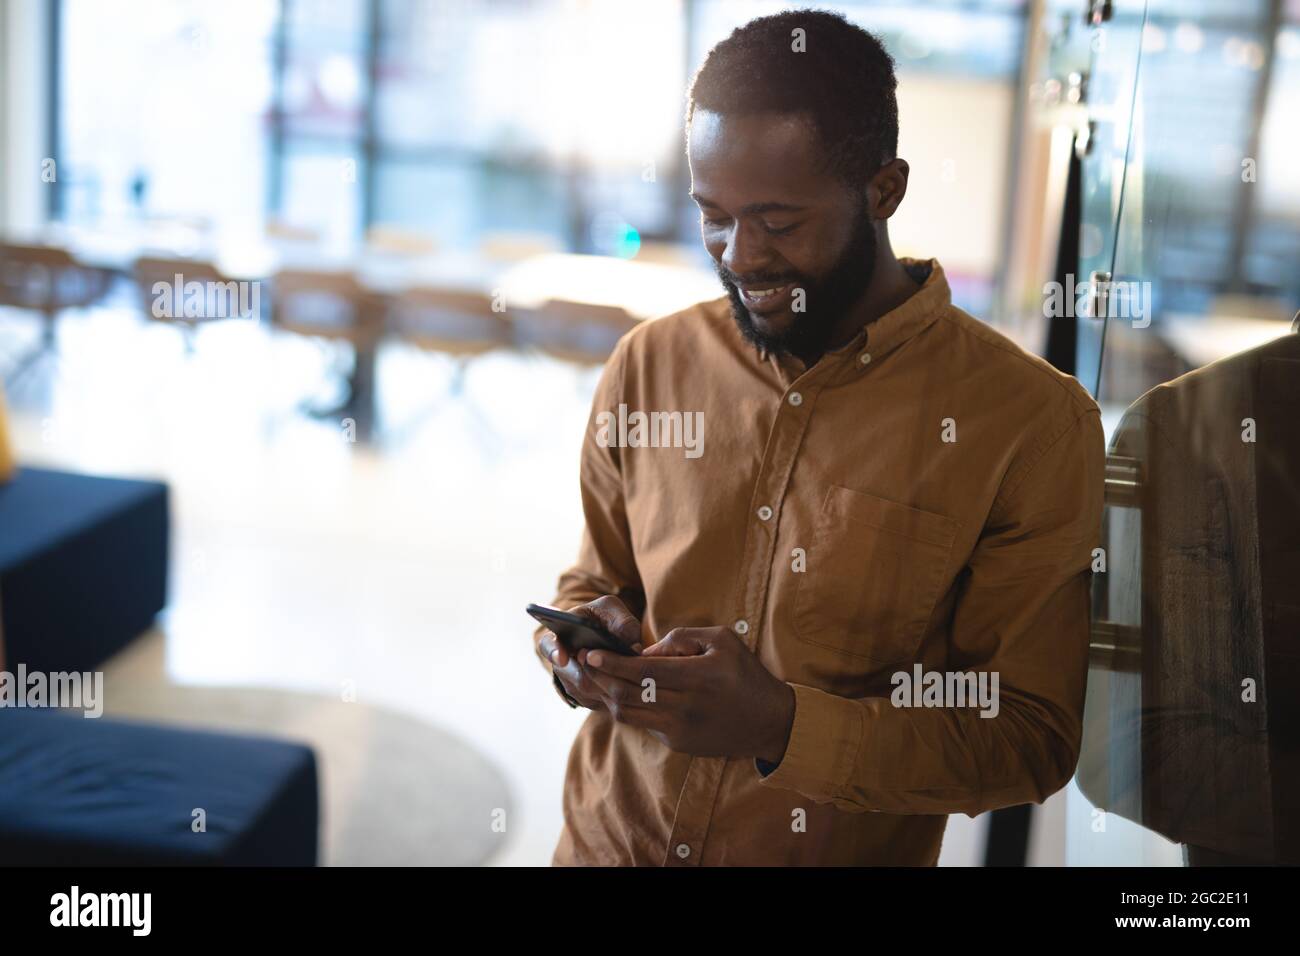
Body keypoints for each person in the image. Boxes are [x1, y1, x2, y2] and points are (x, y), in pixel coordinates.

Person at [534, 9, 1105, 866]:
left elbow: (1029, 738)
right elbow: (595, 579)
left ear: (884, 191)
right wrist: (575, 644)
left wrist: (782, 725)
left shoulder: (1028, 426)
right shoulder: (649, 364)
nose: (739, 255)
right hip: (604, 844)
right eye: (713, 215)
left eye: (778, 222)